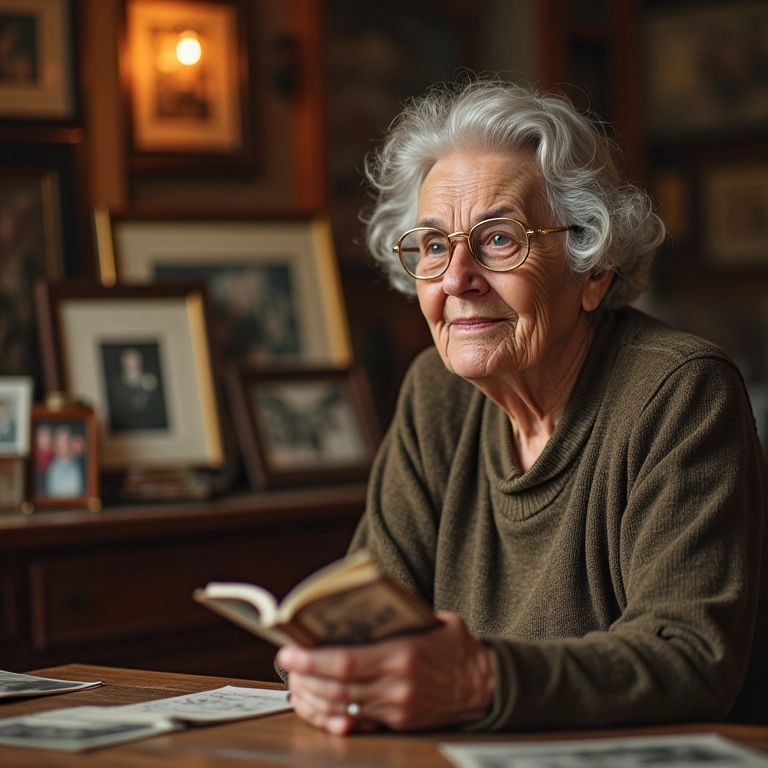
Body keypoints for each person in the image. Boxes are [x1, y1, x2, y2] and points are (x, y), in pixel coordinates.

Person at [276, 79, 768, 734]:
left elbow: (689, 656)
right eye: (432, 245)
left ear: (593, 269)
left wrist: (479, 680)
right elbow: (363, 614)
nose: (456, 279)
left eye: (500, 239)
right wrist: (330, 668)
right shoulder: (436, 392)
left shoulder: (680, 391)